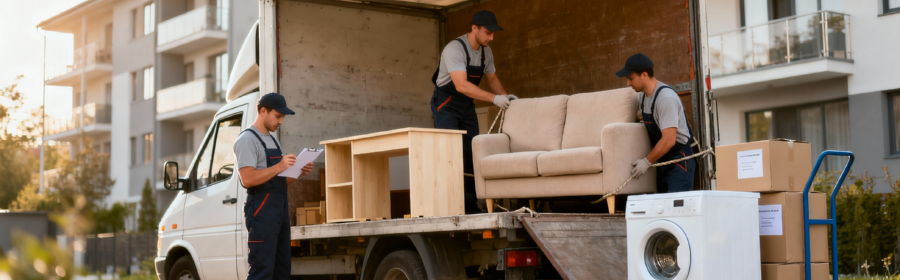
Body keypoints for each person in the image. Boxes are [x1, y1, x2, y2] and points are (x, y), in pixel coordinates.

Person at [431, 9, 514, 214]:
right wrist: (494, 99)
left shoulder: (486, 51)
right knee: (450, 153)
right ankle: (450, 205)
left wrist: (507, 99)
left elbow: (492, 79)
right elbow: (461, 85)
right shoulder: (454, 49)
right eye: (488, 33)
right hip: (446, 104)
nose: (491, 38)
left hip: (467, 105)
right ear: (474, 28)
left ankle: (470, 205)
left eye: (493, 33)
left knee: (471, 152)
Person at [234, 92, 314, 280]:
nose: (281, 121)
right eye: (278, 116)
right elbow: (247, 179)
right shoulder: (247, 140)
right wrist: (280, 166)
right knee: (262, 271)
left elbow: (279, 181)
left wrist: (299, 171)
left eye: (283, 117)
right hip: (261, 214)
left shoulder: (273, 140)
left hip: (279, 213)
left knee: (281, 272)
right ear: (263, 111)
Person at [616, 54, 695, 193]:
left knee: (676, 205)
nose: (628, 83)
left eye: (631, 78)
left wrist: (646, 162)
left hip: (678, 161)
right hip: (660, 161)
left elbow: (669, 140)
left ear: (644, 75)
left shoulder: (666, 99)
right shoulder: (643, 97)